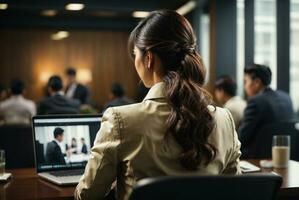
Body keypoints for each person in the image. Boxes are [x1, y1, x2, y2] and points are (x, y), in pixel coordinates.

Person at [75, 10, 241, 200]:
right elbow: (233, 189)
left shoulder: (119, 121)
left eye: (134, 53)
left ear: (148, 58)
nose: (134, 60)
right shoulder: (223, 119)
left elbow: (87, 196)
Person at [238, 64, 294, 158]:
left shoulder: (256, 102)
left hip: (256, 159)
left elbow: (241, 139)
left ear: (257, 82)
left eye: (245, 82)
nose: (245, 86)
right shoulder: (286, 98)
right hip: (285, 158)